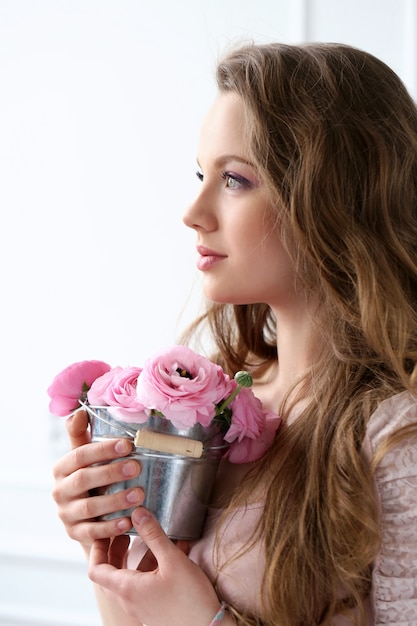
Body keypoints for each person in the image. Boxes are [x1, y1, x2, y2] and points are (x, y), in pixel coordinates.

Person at [52, 41, 417, 625]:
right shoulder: (216, 401)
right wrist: (107, 545)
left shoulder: (396, 441)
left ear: (333, 200)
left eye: (236, 179)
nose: (193, 210)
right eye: (202, 173)